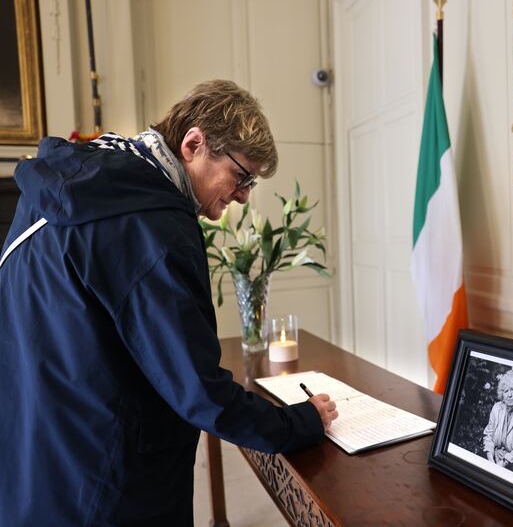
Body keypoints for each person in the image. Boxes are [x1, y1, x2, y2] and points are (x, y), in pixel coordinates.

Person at [0, 80, 338, 525]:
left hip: (35, 466)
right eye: (242, 176)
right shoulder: (152, 223)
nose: (243, 195)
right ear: (194, 143)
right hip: (110, 486)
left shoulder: (66, 188)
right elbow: (198, 391)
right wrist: (301, 423)